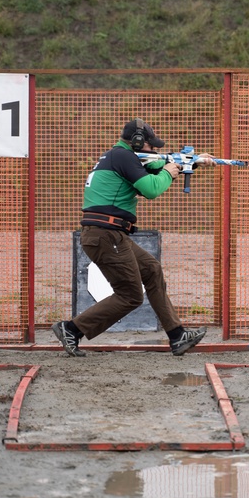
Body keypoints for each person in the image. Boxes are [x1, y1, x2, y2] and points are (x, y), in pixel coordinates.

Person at [52, 118, 216, 357]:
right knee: (130, 296)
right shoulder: (124, 156)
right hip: (106, 235)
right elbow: (151, 188)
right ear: (138, 142)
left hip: (109, 234)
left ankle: (177, 335)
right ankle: (71, 329)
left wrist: (193, 161)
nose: (154, 150)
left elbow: (158, 165)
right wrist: (171, 172)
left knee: (151, 269)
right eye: (151, 146)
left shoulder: (119, 157)